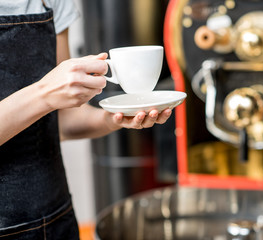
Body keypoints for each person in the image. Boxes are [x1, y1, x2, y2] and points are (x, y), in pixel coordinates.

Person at [0, 0, 172, 239]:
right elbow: (48, 97)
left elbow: (63, 124)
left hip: (56, 220)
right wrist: (43, 94)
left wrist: (114, 118)